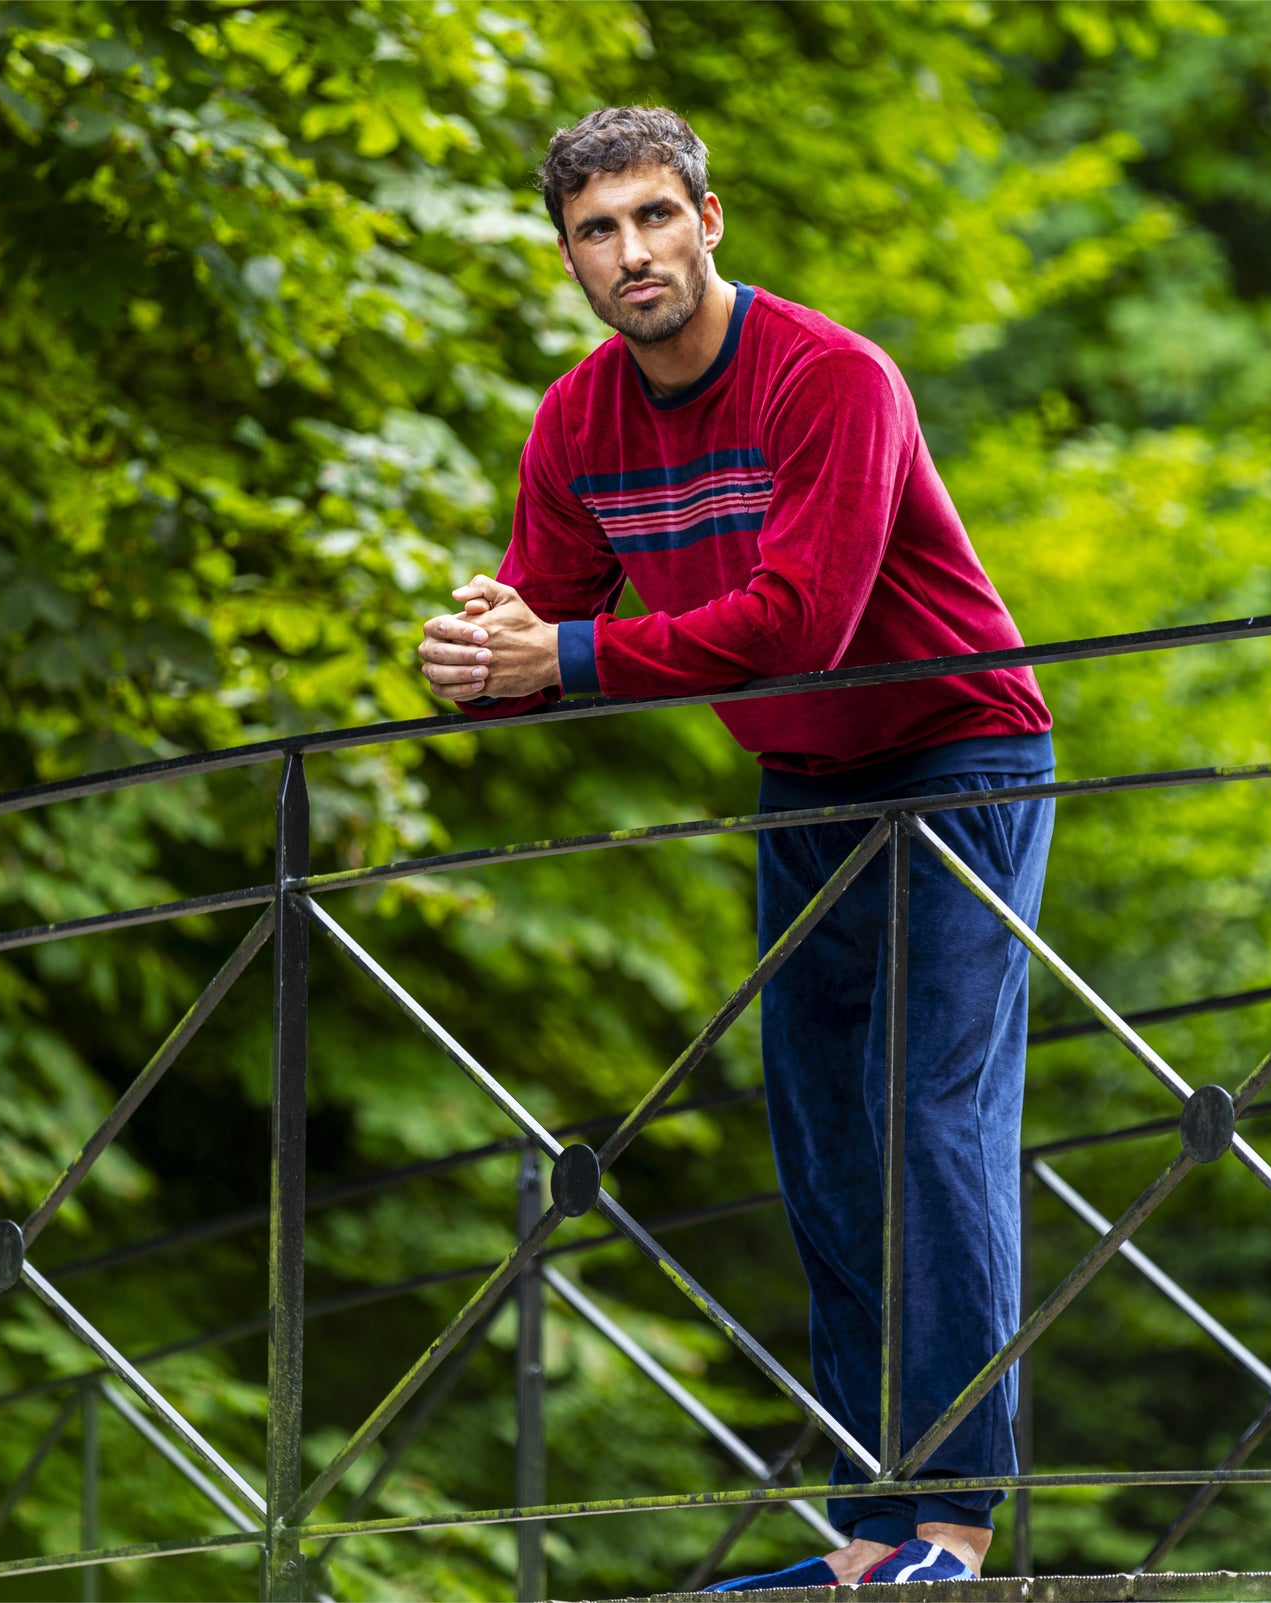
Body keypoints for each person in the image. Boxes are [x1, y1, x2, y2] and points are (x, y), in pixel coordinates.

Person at [417, 105, 1054, 1591]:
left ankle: (953, 1530)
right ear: (568, 254)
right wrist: (476, 645)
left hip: (960, 749)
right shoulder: (579, 422)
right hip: (802, 779)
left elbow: (801, 629)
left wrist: (560, 660)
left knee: (928, 1117)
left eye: (653, 217)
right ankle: (870, 1534)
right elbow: (541, 614)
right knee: (825, 1142)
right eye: (596, 230)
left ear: (712, 220)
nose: (629, 253)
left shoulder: (832, 378)